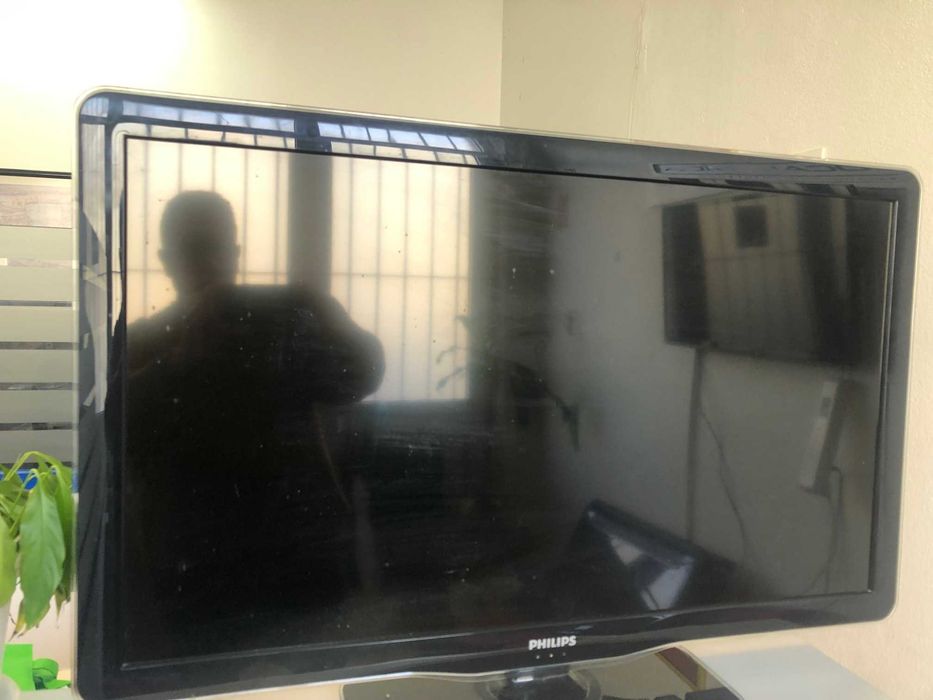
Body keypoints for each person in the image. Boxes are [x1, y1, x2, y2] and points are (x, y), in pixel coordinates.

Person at [123, 191, 384, 655]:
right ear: (166, 260)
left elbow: (365, 374)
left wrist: (312, 314)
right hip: (193, 561)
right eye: (193, 248)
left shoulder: (285, 318)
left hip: (298, 551)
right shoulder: (143, 341)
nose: (207, 261)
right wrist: (181, 359)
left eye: (217, 247)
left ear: (236, 252)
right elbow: (118, 440)